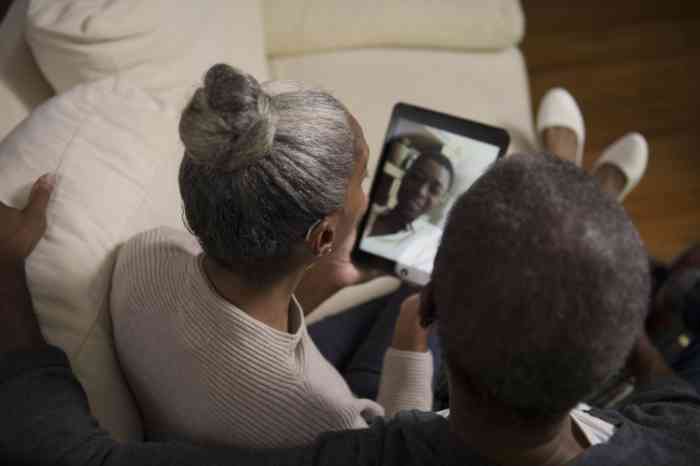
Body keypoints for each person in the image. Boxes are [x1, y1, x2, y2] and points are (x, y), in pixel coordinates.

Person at [3, 150, 700, 465]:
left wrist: (7, 268)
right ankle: (594, 184)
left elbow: (61, 452)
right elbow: (667, 401)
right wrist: (631, 338)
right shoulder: (676, 433)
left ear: (436, 313)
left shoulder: (351, 443)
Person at [108, 64, 433, 448]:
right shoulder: (327, 416)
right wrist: (413, 335)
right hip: (352, 418)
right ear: (324, 234)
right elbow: (408, 458)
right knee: (420, 307)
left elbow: (236, 323)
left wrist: (330, 278)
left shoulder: (148, 254)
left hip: (233, 392)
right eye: (361, 181)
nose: (367, 199)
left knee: (401, 291)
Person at [361, 139, 454, 272]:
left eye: (434, 189)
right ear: (404, 176)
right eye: (416, 177)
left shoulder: (428, 244)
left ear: (441, 200)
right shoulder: (364, 210)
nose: (420, 191)